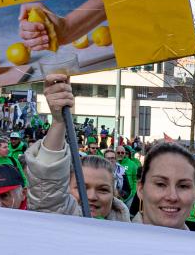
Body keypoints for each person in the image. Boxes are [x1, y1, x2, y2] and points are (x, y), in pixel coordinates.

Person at [23, 77, 129, 221]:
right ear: (65, 188)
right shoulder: (56, 218)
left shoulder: (130, 230)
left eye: (103, 190)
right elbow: (46, 188)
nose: (91, 197)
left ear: (114, 194)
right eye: (81, 187)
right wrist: (59, 121)